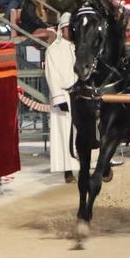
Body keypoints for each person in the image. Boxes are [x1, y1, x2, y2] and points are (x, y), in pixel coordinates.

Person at [44, 12, 78, 181]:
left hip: (80, 95)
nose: (71, 31)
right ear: (61, 29)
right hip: (64, 95)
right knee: (65, 133)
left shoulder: (79, 47)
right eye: (67, 28)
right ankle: (68, 170)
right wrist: (59, 98)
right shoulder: (53, 50)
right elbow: (52, 75)